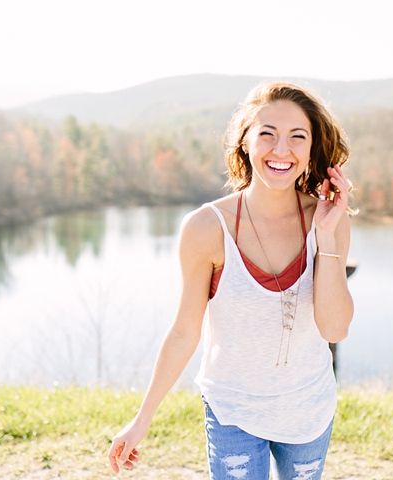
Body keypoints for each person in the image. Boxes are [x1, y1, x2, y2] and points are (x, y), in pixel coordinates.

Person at [108, 82, 355, 479]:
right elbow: (184, 333)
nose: (281, 149)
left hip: (308, 408)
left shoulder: (328, 221)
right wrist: (141, 420)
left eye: (297, 137)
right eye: (267, 134)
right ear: (245, 142)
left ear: (312, 149)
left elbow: (335, 327)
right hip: (233, 412)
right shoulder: (207, 227)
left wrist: (325, 237)